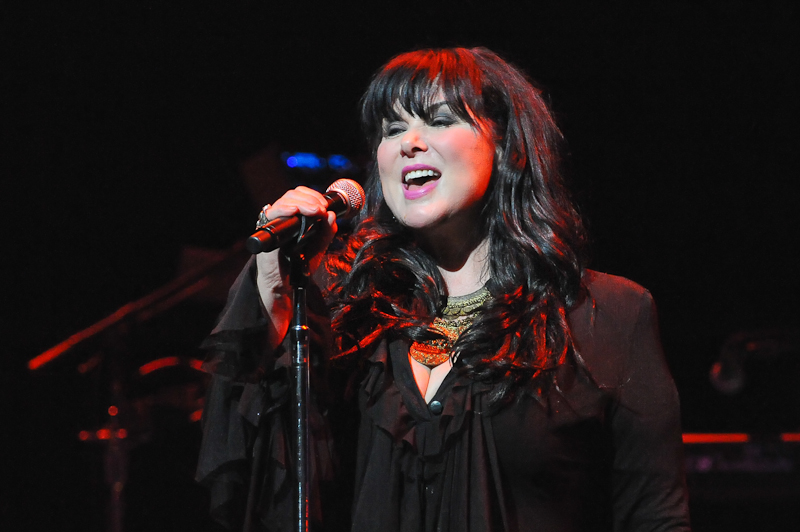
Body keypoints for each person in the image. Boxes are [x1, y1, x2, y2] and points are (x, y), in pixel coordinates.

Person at [196, 47, 691, 532]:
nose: (409, 142)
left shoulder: (606, 313)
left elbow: (655, 515)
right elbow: (259, 474)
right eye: (392, 130)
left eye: (438, 120)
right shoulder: (347, 313)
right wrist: (273, 284)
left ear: (507, 146)